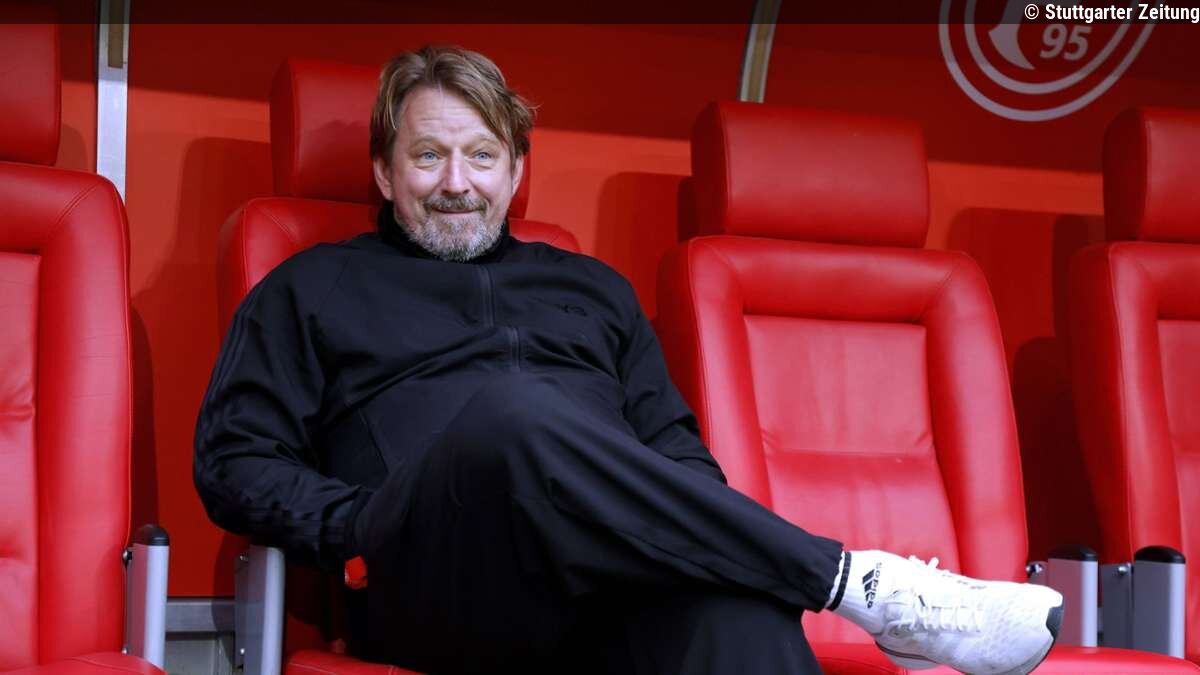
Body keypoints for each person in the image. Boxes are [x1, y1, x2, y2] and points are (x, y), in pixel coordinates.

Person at [194, 45, 1063, 675]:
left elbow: (676, 450)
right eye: (428, 155)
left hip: (601, 583)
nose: (456, 181)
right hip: (434, 578)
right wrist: (359, 524)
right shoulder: (311, 286)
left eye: (482, 156)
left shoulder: (591, 287)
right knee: (514, 414)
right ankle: (862, 585)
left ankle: (840, 588)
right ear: (386, 173)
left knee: (742, 620)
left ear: (514, 172)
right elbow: (234, 460)